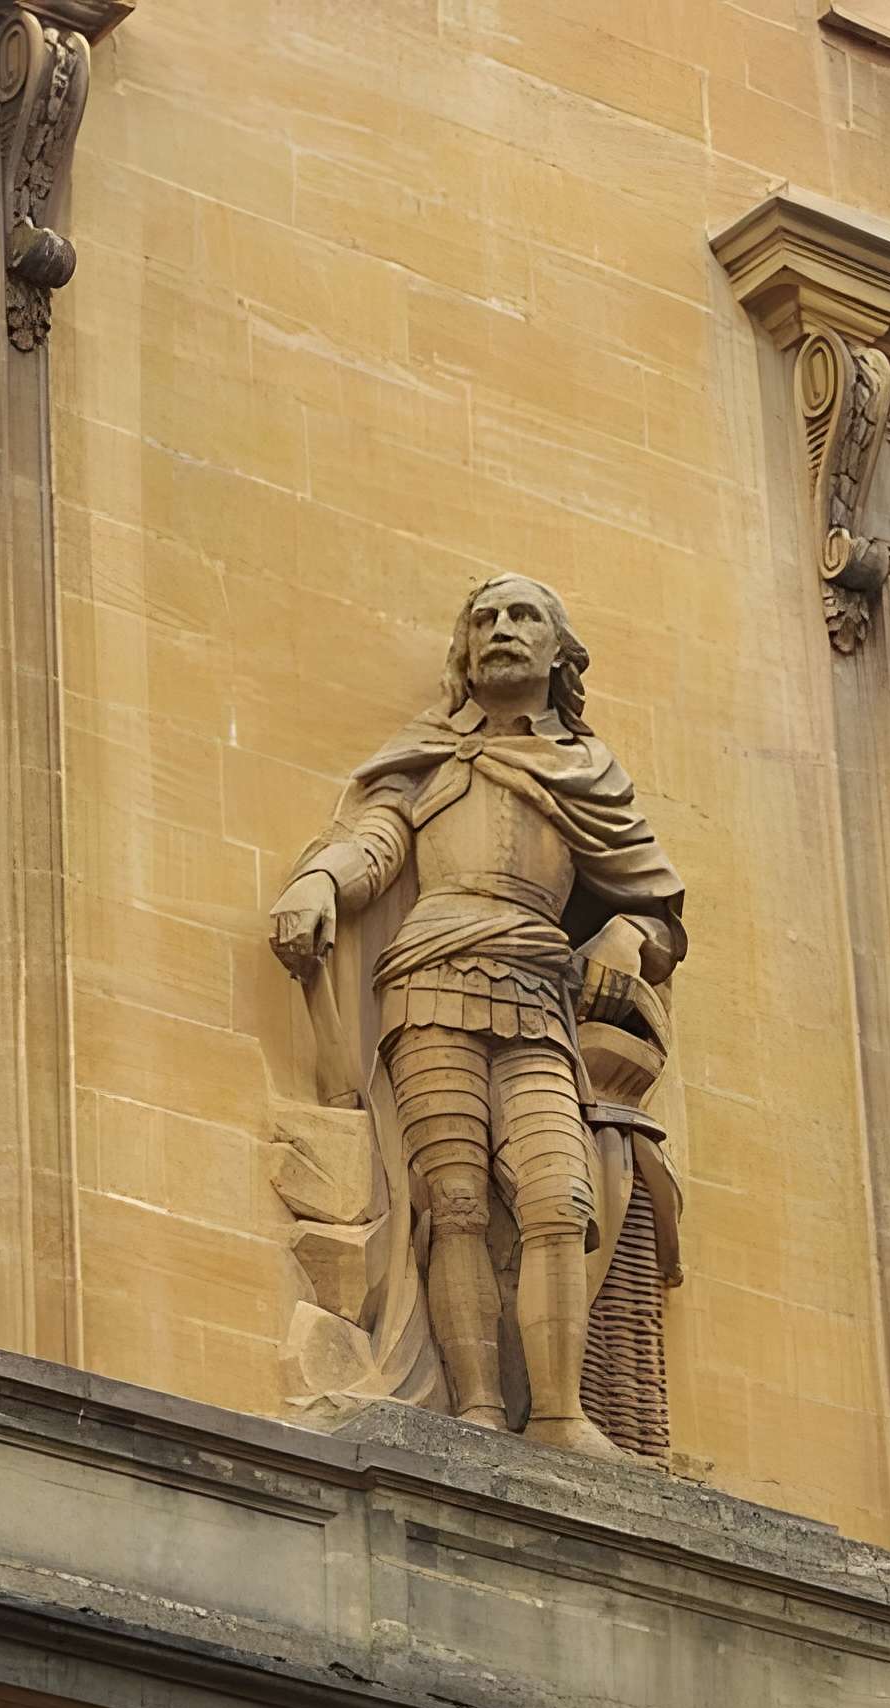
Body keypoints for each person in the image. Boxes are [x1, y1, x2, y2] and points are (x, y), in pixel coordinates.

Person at [269, 573, 685, 1452]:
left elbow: (652, 904)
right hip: (430, 985)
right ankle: (479, 1410)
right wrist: (317, 881)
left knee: (558, 1199)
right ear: (465, 650)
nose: (501, 629)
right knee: (453, 1201)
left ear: (559, 651)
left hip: (536, 995)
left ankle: (565, 1417)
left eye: (523, 616)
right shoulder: (429, 760)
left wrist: (622, 940)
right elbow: (374, 847)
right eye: (485, 618)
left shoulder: (589, 772)